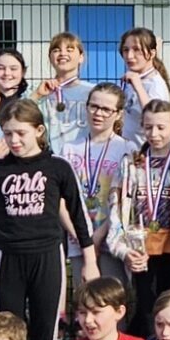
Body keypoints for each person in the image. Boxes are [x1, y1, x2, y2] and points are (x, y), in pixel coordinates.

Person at [0, 98, 96, 340]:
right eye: (8, 133)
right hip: (7, 257)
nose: (13, 140)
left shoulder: (58, 168)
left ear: (38, 130)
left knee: (45, 334)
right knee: (7, 333)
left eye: (21, 133)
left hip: (47, 256)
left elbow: (78, 215)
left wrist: (90, 259)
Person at [112, 99, 170, 338]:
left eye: (161, 127)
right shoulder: (131, 165)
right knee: (146, 309)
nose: (154, 134)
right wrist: (125, 251)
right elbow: (118, 212)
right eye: (149, 127)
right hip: (142, 250)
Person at [60, 82, 133, 285]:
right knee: (85, 301)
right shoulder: (69, 149)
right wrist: (82, 237)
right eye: (94, 106)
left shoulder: (125, 149)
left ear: (118, 114)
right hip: (78, 241)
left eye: (106, 109)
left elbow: (123, 201)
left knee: (113, 300)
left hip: (111, 240)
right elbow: (61, 199)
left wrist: (99, 236)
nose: (98, 113)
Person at [33, 31, 93, 148]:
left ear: (81, 57)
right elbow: (18, 115)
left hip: (83, 157)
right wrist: (36, 95)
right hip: (49, 158)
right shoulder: (40, 90)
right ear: (50, 58)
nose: (62, 53)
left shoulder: (92, 91)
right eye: (56, 50)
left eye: (69, 50)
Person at [116, 26, 170, 145]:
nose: (130, 56)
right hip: (126, 150)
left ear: (152, 53)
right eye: (126, 50)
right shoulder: (131, 79)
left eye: (137, 50)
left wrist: (138, 87)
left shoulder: (155, 85)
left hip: (146, 154)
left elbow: (156, 116)